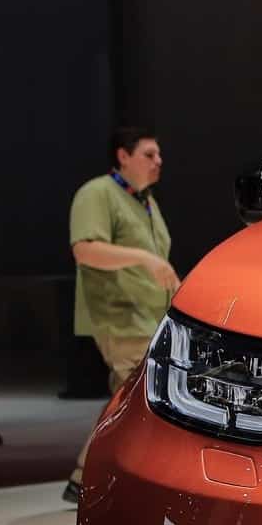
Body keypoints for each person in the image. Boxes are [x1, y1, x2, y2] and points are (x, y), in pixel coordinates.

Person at [63, 126, 179, 503]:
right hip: (119, 316)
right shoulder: (97, 193)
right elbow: (85, 250)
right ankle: (100, 477)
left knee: (129, 396)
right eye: (149, 154)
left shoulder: (146, 201)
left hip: (150, 318)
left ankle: (86, 477)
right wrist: (144, 259)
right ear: (123, 156)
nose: (158, 161)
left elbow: (158, 265)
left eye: (159, 155)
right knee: (140, 395)